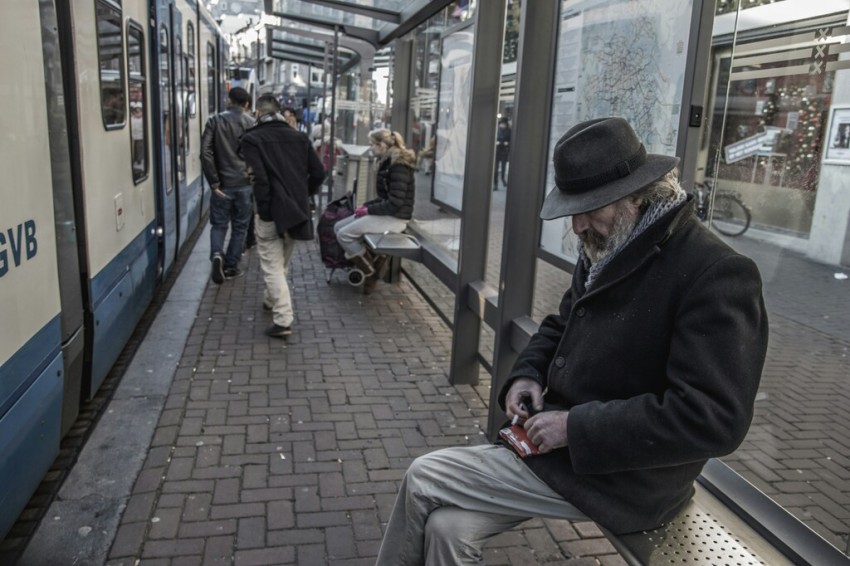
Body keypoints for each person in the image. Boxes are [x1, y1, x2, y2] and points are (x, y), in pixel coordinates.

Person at [374, 117, 769, 565]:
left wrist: (575, 427)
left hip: (625, 478)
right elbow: (562, 323)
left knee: (424, 475)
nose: (578, 225)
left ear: (636, 195)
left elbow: (714, 419)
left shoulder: (716, 272)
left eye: (589, 207)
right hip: (567, 452)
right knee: (448, 529)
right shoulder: (615, 241)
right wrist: (525, 374)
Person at [241, 94, 325, 338]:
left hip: (269, 213)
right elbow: (319, 172)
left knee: (271, 265)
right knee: (282, 263)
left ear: (258, 113)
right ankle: (270, 299)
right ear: (279, 112)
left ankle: (283, 318)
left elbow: (259, 179)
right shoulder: (299, 138)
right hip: (296, 211)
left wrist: (265, 210)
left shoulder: (252, 139)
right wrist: (302, 193)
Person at [334, 129, 416, 295]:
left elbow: (395, 203)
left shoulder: (398, 166)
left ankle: (370, 272)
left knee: (344, 234)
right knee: (338, 227)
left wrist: (368, 210)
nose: (370, 149)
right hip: (388, 213)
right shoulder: (387, 162)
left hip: (395, 218)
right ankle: (374, 262)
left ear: (382, 145)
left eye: (372, 145)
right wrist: (365, 207)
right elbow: (385, 198)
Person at [201, 86, 255, 284]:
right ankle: (231, 266)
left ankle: (216, 253)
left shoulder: (215, 121)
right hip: (244, 184)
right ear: (247, 104)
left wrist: (214, 182)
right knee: (240, 226)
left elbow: (205, 152)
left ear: (229, 100)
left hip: (222, 185)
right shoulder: (252, 123)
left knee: (219, 224)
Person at [494, 117, 511, 190]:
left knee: (503, 167)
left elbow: (511, 140)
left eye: (504, 124)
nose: (503, 125)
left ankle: (503, 179)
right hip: (497, 150)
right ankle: (495, 184)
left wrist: (507, 143)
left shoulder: (509, 131)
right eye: (502, 124)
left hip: (504, 151)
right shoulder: (496, 130)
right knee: (495, 168)